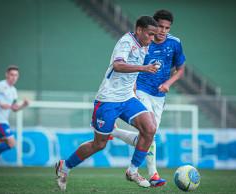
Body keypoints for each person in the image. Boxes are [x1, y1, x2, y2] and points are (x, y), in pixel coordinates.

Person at [55, 15, 159, 190]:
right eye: (150, 34)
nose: (152, 39)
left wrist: (133, 84)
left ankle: (132, 171)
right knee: (99, 144)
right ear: (139, 30)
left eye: (154, 35)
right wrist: (143, 68)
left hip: (127, 98)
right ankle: (64, 167)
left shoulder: (144, 46)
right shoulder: (126, 42)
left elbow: (130, 71)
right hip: (108, 100)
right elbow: (118, 65)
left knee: (150, 129)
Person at [111, 9, 186, 187]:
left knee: (148, 135)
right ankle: (153, 174)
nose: (162, 31)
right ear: (154, 25)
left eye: (167, 28)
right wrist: (134, 86)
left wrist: (168, 83)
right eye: (160, 26)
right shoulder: (145, 41)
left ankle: (114, 132)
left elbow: (181, 70)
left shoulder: (175, 43)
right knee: (149, 131)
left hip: (159, 96)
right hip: (141, 90)